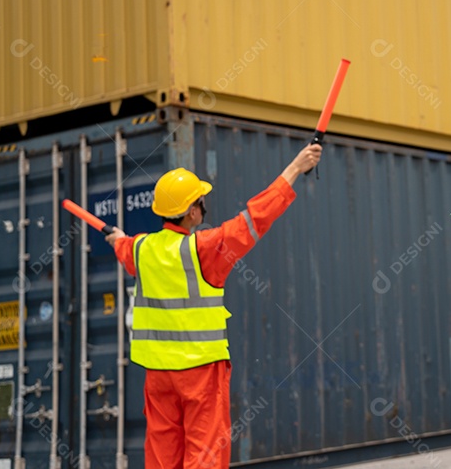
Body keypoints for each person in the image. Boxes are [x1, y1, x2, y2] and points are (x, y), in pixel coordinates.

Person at [105, 144, 323, 468]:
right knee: (204, 453)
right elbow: (254, 220)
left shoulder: (141, 249)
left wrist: (116, 237)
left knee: (163, 456)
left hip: (158, 375)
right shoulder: (205, 248)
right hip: (201, 372)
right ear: (192, 211)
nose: (203, 206)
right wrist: (294, 168)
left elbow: (123, 247)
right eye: (200, 201)